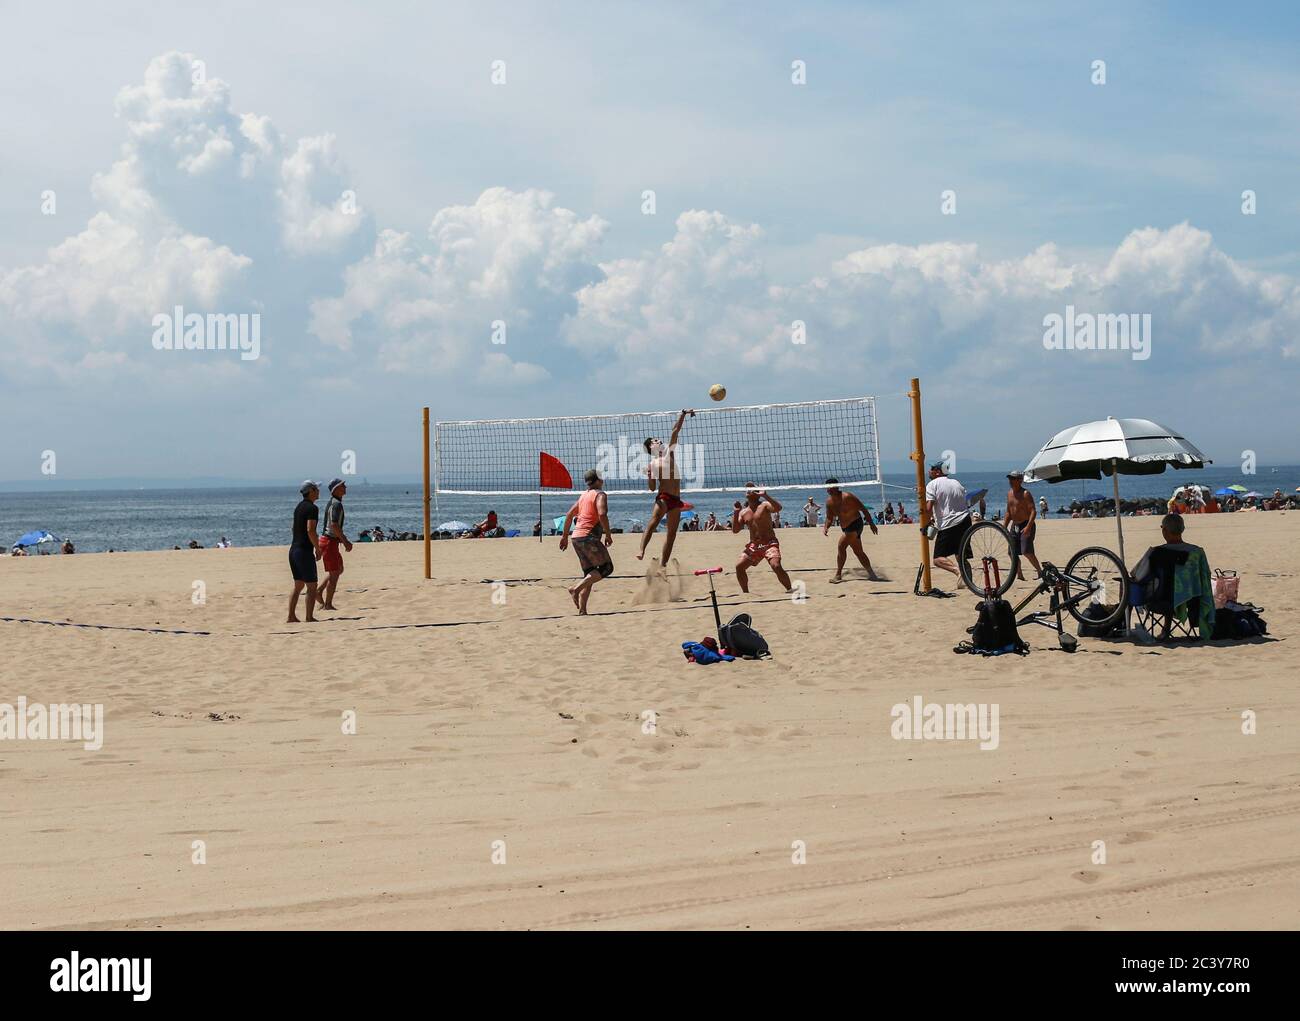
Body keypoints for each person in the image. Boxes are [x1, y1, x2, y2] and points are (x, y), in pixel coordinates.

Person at [637, 409, 695, 564]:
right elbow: (651, 488)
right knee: (653, 522)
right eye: (655, 440)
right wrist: (649, 475)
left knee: (672, 534)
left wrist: (683, 414)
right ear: (651, 447)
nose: (659, 440)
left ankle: (663, 565)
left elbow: (675, 431)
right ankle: (642, 549)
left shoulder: (669, 453)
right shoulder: (653, 464)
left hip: (676, 499)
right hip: (664, 497)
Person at [559, 469, 614, 615]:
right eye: (601, 479)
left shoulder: (583, 496)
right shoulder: (600, 494)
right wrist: (608, 534)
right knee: (607, 568)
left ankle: (582, 610)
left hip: (576, 537)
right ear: (597, 481)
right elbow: (602, 514)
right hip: (588, 537)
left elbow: (569, 514)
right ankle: (575, 589)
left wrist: (564, 536)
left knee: (590, 573)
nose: (603, 481)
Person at [731, 484, 792, 593]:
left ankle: (790, 590)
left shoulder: (764, 505)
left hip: (769, 543)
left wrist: (766, 495)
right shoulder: (743, 512)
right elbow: (735, 530)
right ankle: (746, 593)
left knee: (776, 566)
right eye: (747, 489)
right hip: (754, 545)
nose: (749, 490)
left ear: (757, 493)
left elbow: (778, 508)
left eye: (752, 489)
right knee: (739, 567)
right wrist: (736, 512)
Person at [823, 478, 880, 582]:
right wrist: (826, 527)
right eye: (827, 488)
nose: (828, 490)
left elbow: (864, 509)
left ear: (836, 487)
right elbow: (829, 518)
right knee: (858, 552)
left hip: (856, 524)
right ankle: (872, 574)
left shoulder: (848, 497)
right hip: (846, 528)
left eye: (830, 487)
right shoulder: (829, 502)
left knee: (841, 546)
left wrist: (872, 524)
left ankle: (838, 575)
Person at [924, 461, 971, 587]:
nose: (929, 471)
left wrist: (925, 523)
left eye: (932, 469)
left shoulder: (932, 484)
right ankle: (968, 582)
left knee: (938, 559)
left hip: (949, 523)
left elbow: (928, 508)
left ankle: (958, 572)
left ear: (938, 472)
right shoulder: (956, 482)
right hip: (966, 520)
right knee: (960, 554)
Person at [288, 481, 322, 623]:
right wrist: (318, 548)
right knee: (312, 586)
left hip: (294, 549)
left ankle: (291, 616)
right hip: (304, 551)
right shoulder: (312, 508)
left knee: (298, 585)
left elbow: (293, 528)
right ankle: (309, 617)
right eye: (317, 489)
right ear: (311, 491)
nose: (319, 491)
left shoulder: (299, 507)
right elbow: (311, 530)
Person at [317, 478, 353, 611]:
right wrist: (345, 541)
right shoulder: (336, 504)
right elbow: (334, 525)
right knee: (334, 573)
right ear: (336, 489)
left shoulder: (335, 502)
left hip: (330, 541)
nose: (346, 487)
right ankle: (328, 604)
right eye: (343, 485)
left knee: (339, 569)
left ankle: (319, 591)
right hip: (329, 541)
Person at [1002, 471, 1042, 581]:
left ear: (1020, 480)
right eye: (1010, 479)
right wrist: (1004, 526)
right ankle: (1019, 574)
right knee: (1012, 552)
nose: (1010, 481)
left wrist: (1029, 527)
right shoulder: (1009, 493)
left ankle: (1040, 571)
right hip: (1014, 525)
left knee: (1026, 551)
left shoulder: (1025, 494)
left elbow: (1033, 511)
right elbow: (1008, 512)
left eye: (1013, 479)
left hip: (1026, 524)